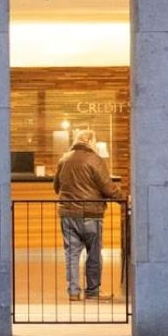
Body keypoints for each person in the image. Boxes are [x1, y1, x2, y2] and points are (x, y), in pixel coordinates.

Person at [52, 129, 125, 302]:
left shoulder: (64, 159)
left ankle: (73, 292)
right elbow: (108, 188)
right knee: (94, 253)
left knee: (71, 253)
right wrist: (123, 199)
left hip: (68, 214)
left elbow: (56, 187)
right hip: (92, 214)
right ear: (91, 142)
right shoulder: (95, 159)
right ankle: (92, 292)